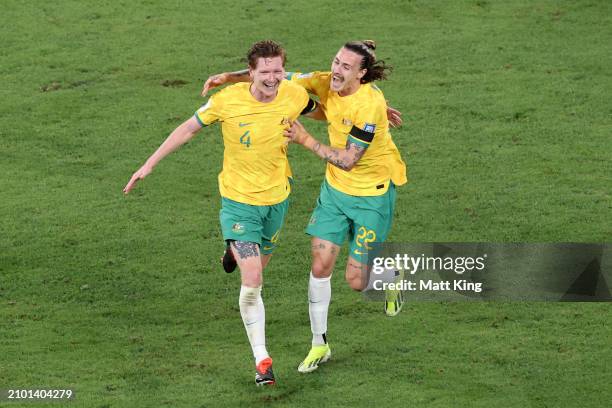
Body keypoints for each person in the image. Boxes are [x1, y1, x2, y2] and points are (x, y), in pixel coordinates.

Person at [200, 40, 407, 373]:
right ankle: (318, 344)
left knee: (356, 280)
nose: (336, 70)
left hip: (372, 193)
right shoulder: (325, 81)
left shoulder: (368, 106)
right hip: (335, 194)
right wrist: (227, 77)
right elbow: (277, 75)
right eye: (336, 62)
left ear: (363, 74)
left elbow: (349, 161)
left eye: (346, 67)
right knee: (320, 264)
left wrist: (305, 139)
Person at [123, 40, 318, 385]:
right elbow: (187, 129)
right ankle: (262, 360)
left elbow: (326, 108)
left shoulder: (294, 94)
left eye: (278, 71)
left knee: (258, 269)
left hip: (277, 200)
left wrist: (370, 113)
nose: (272, 78)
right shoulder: (227, 101)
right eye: (265, 72)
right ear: (251, 74)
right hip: (238, 201)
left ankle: (232, 250)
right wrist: (149, 165)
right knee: (253, 280)